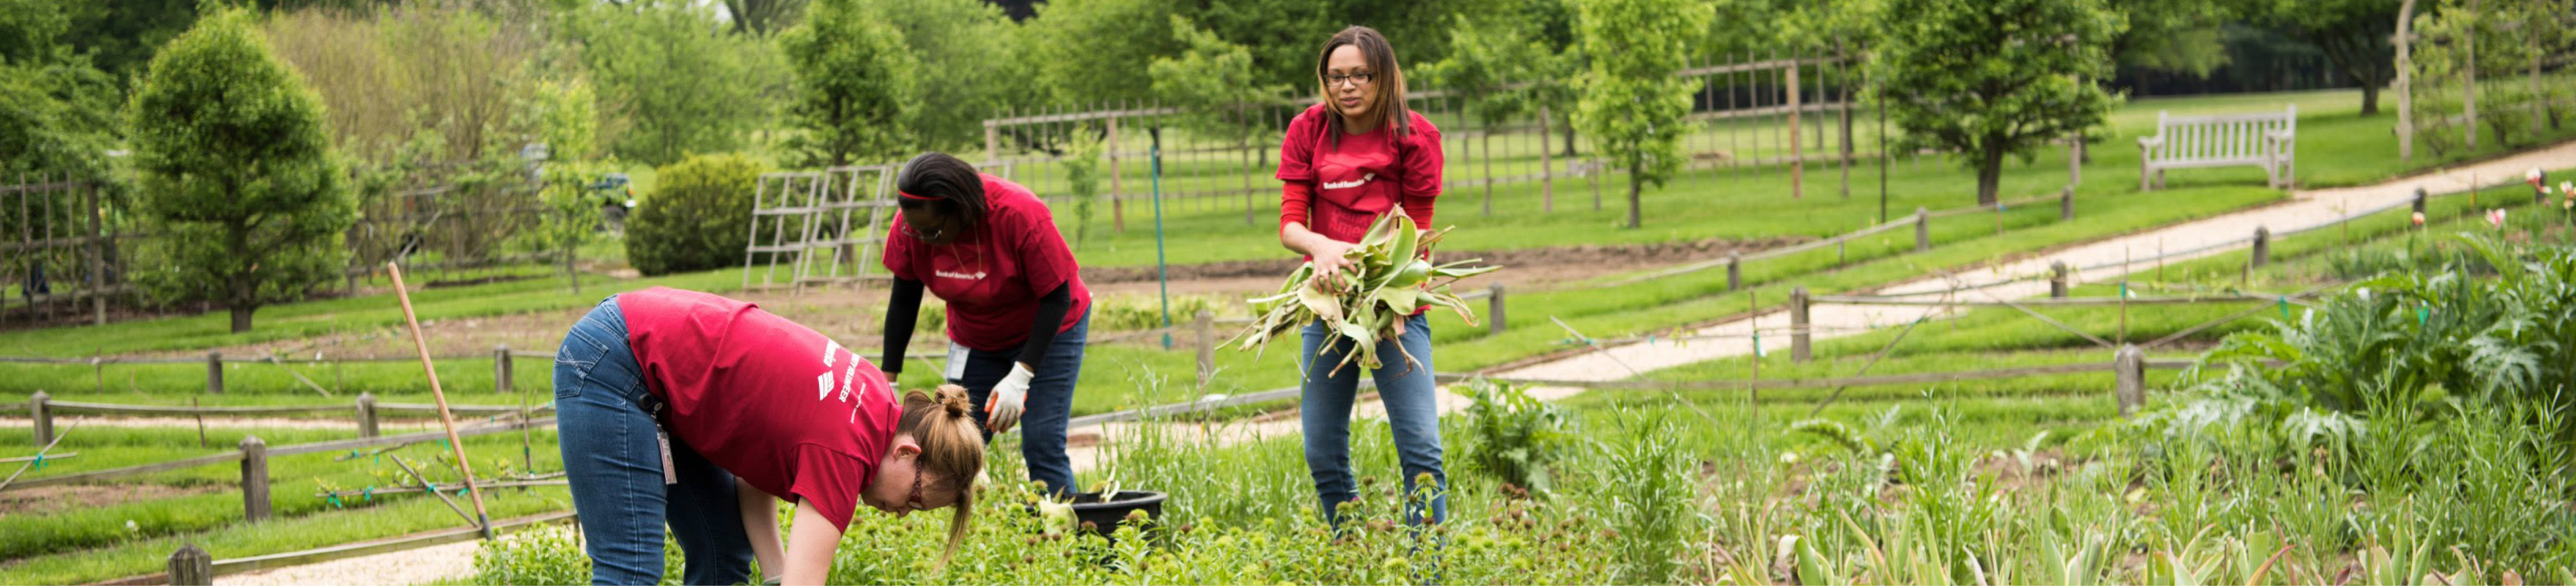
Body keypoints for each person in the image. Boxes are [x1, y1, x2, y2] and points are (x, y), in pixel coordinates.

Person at [553, 287, 985, 585]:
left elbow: (753, 469)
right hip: (617, 363)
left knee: (722, 551)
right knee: (631, 570)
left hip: (655, 366)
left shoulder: (871, 400)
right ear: (908, 452)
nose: (902, 513)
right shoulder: (848, 451)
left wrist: (775, 573)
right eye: (914, 498)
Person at [1274, 25, 1449, 528]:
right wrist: (1321, 246)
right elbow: (1290, 225)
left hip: (1394, 312)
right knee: (1322, 450)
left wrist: (1394, 290)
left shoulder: (1414, 136)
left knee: (1421, 450)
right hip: (1328, 308)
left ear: (1383, 76)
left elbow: (1417, 230)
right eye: (1335, 77)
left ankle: (1426, 573)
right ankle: (1355, 556)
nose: (1346, 87)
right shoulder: (1307, 130)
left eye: (1359, 75)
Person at [877, 152, 1093, 499]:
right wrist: (888, 378)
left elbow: (1057, 298)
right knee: (951, 445)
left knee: (1042, 442)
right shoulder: (911, 228)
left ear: (960, 211)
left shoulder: (1019, 214)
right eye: (915, 230)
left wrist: (1021, 376)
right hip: (975, 339)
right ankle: (968, 537)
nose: (923, 238)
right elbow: (904, 299)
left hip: (1050, 332)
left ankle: (1069, 541)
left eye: (932, 231)